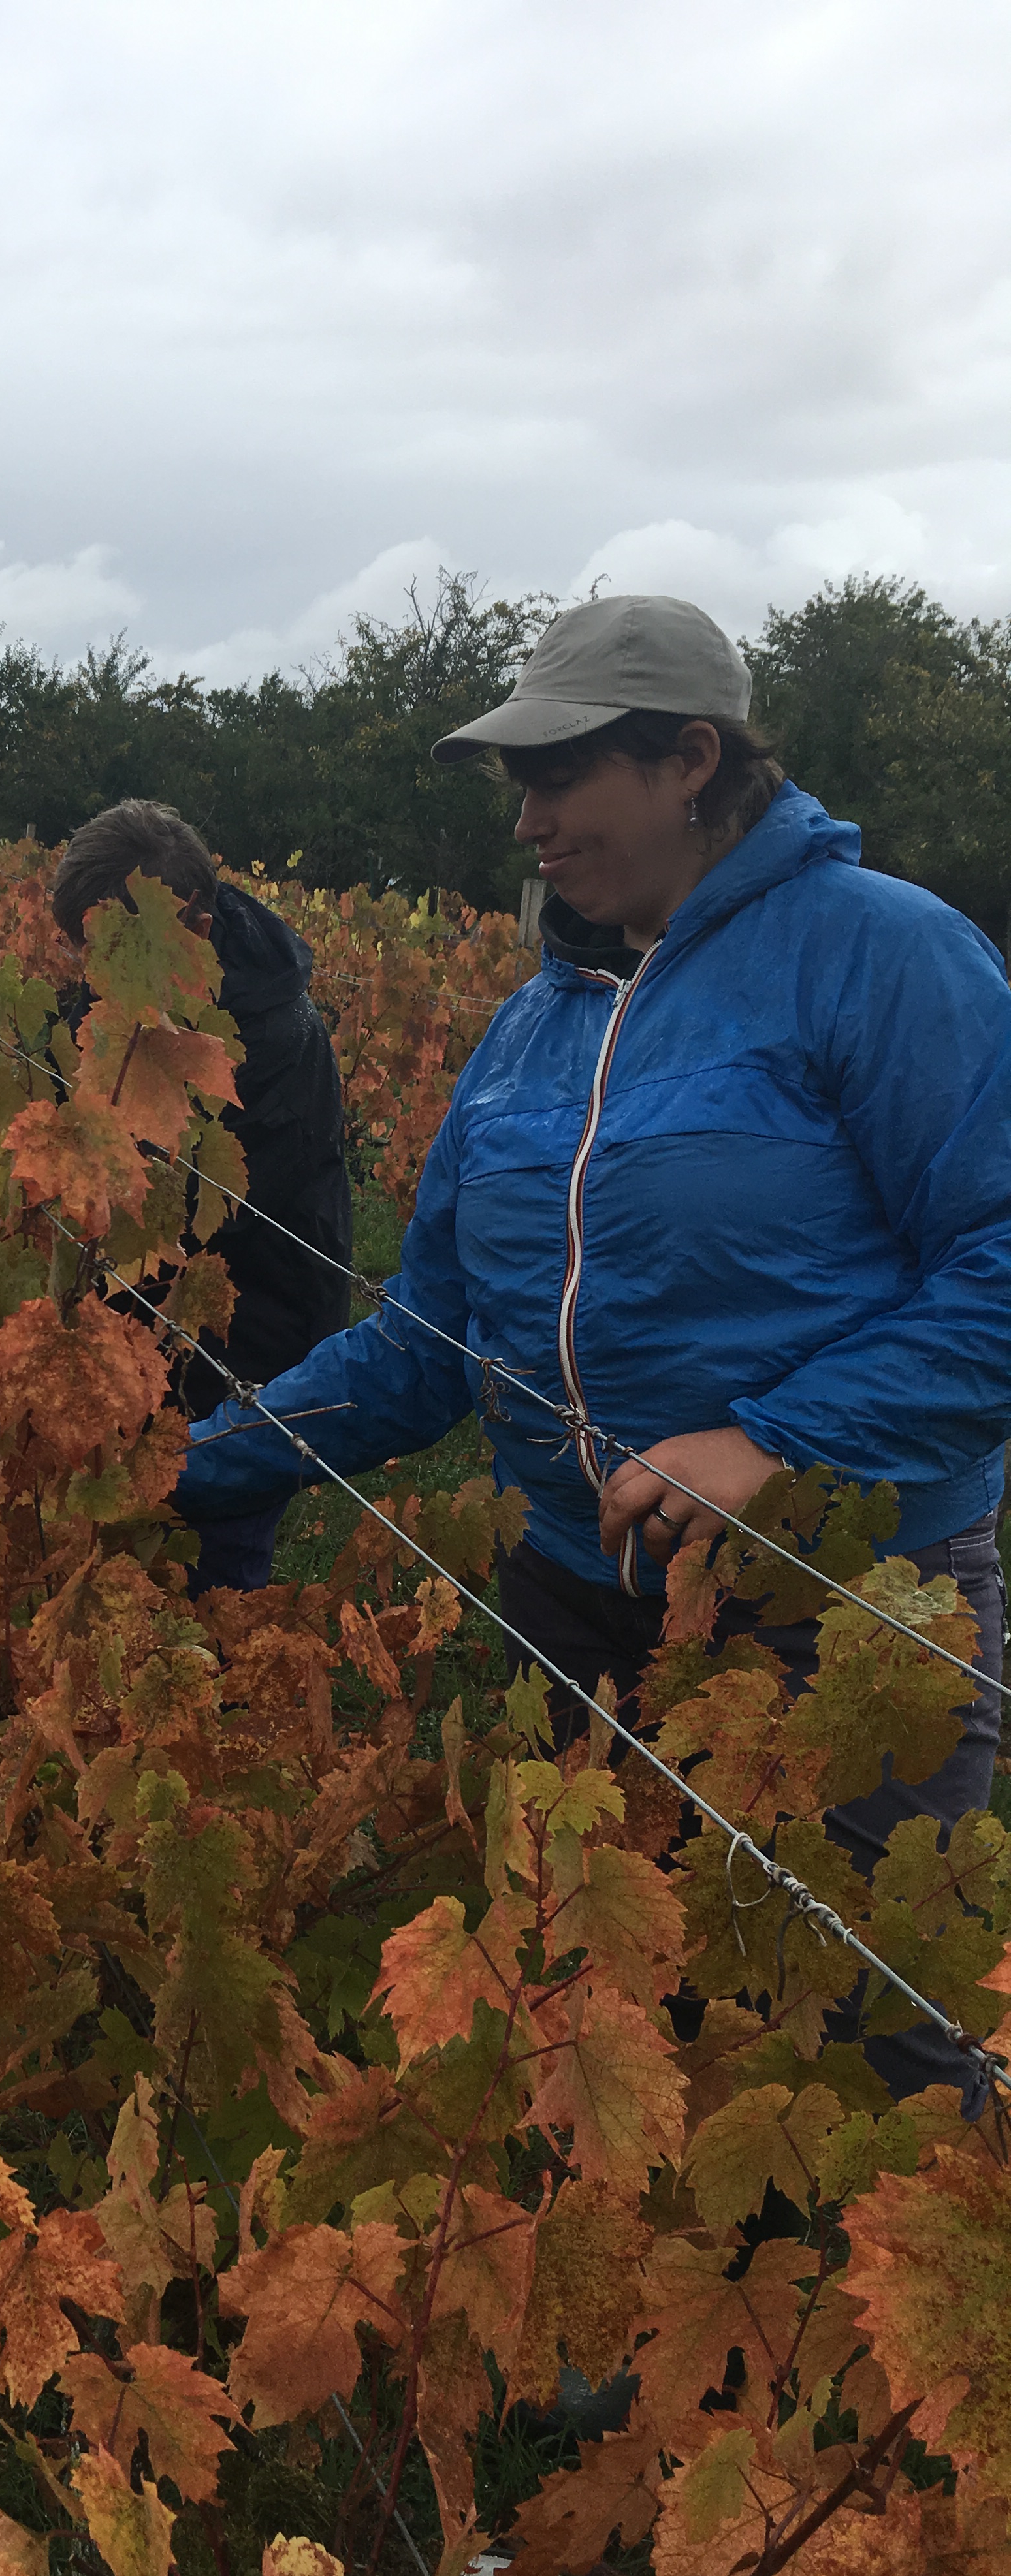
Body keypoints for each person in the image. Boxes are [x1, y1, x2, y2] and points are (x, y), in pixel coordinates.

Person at [174, 594, 1011, 2099]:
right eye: (518, 788)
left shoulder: (885, 959)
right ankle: (622, 2335)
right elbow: (427, 1345)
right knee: (604, 2020)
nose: (531, 824)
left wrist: (773, 1439)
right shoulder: (527, 1035)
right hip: (573, 1601)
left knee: (865, 2064)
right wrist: (186, 1466)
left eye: (559, 779)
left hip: (832, 1622)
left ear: (691, 759)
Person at [52, 797, 351, 1589]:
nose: (93, 972)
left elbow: (158, 1203)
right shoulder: (146, 991)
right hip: (154, 1323)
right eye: (87, 951)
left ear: (192, 924)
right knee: (124, 1555)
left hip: (245, 1339)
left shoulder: (257, 1044)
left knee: (211, 1553)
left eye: (109, 947)